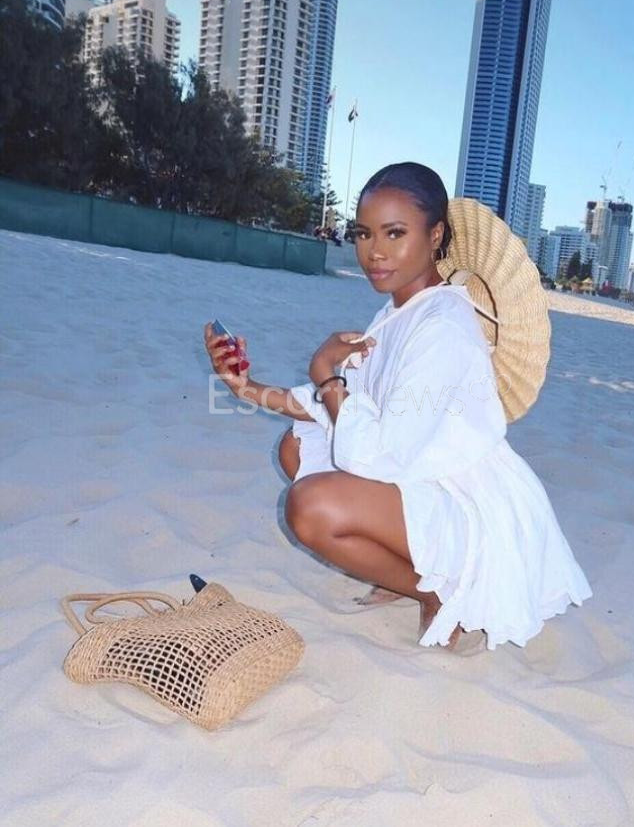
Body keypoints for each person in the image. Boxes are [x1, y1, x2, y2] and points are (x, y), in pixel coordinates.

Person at [204, 162, 592, 651]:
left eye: (394, 233)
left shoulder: (443, 325)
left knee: (309, 506)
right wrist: (245, 387)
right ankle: (403, 572)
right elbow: (348, 404)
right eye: (364, 234)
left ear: (436, 235)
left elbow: (372, 450)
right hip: (413, 467)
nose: (374, 252)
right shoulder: (398, 311)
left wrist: (325, 370)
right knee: (294, 449)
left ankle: (435, 592)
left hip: (463, 499)